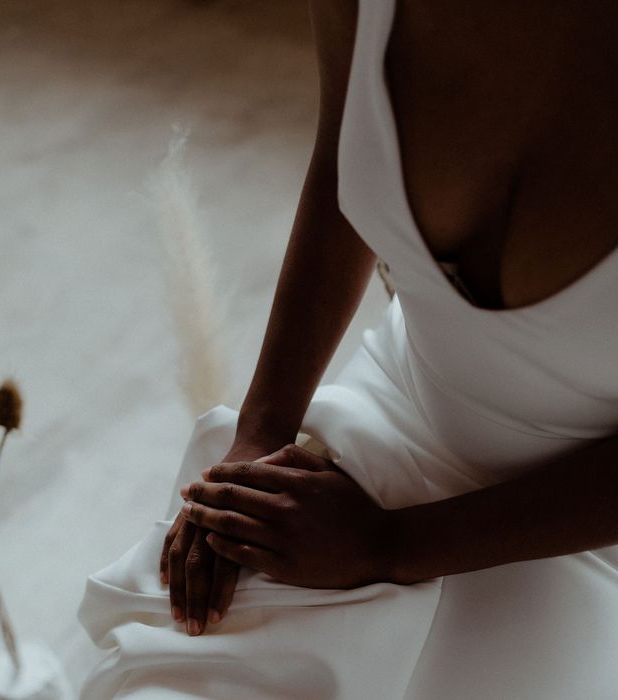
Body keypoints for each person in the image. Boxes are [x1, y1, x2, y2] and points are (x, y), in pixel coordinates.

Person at [78, 0, 618, 697]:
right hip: (399, 404)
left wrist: (391, 547)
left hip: (576, 520)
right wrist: (262, 431)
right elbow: (346, 153)